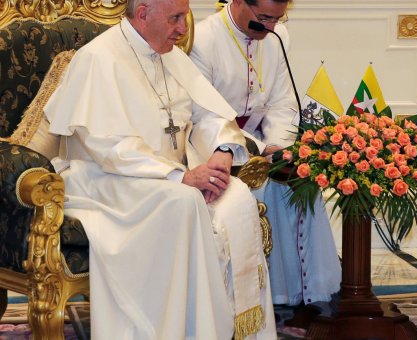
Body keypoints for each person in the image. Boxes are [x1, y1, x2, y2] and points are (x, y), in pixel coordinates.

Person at [44, 0, 276, 338]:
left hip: (167, 176)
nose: (183, 29)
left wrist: (222, 152)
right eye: (175, 19)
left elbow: (209, 113)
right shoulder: (99, 58)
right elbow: (110, 147)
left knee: (236, 193)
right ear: (142, 15)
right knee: (183, 201)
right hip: (105, 179)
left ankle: (217, 329)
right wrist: (180, 177)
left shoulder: (170, 54)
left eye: (183, 18)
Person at [189, 0, 341, 317]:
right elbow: (203, 113)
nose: (271, 26)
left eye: (278, 18)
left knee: (299, 175)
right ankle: (266, 294)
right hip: (215, 144)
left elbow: (283, 101)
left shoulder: (277, 36)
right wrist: (247, 148)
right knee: (263, 182)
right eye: (264, 18)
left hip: (263, 139)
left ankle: (311, 290)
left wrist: (277, 144)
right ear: (240, 3)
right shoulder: (203, 39)